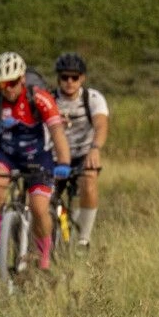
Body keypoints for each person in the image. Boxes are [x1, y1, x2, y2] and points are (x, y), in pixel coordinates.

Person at [0, 51, 72, 269]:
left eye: (11, 83)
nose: (7, 89)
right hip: (7, 154)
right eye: (1, 85)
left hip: (38, 156)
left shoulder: (39, 98)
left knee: (39, 208)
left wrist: (64, 163)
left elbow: (57, 131)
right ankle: (0, 241)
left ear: (21, 79)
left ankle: (44, 255)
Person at [52, 52, 110, 247]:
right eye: (64, 77)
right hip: (55, 156)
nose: (69, 82)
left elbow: (101, 125)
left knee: (89, 180)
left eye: (74, 77)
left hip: (83, 153)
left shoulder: (93, 98)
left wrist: (95, 148)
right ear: (58, 78)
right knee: (44, 197)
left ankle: (83, 239)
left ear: (82, 78)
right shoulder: (49, 99)